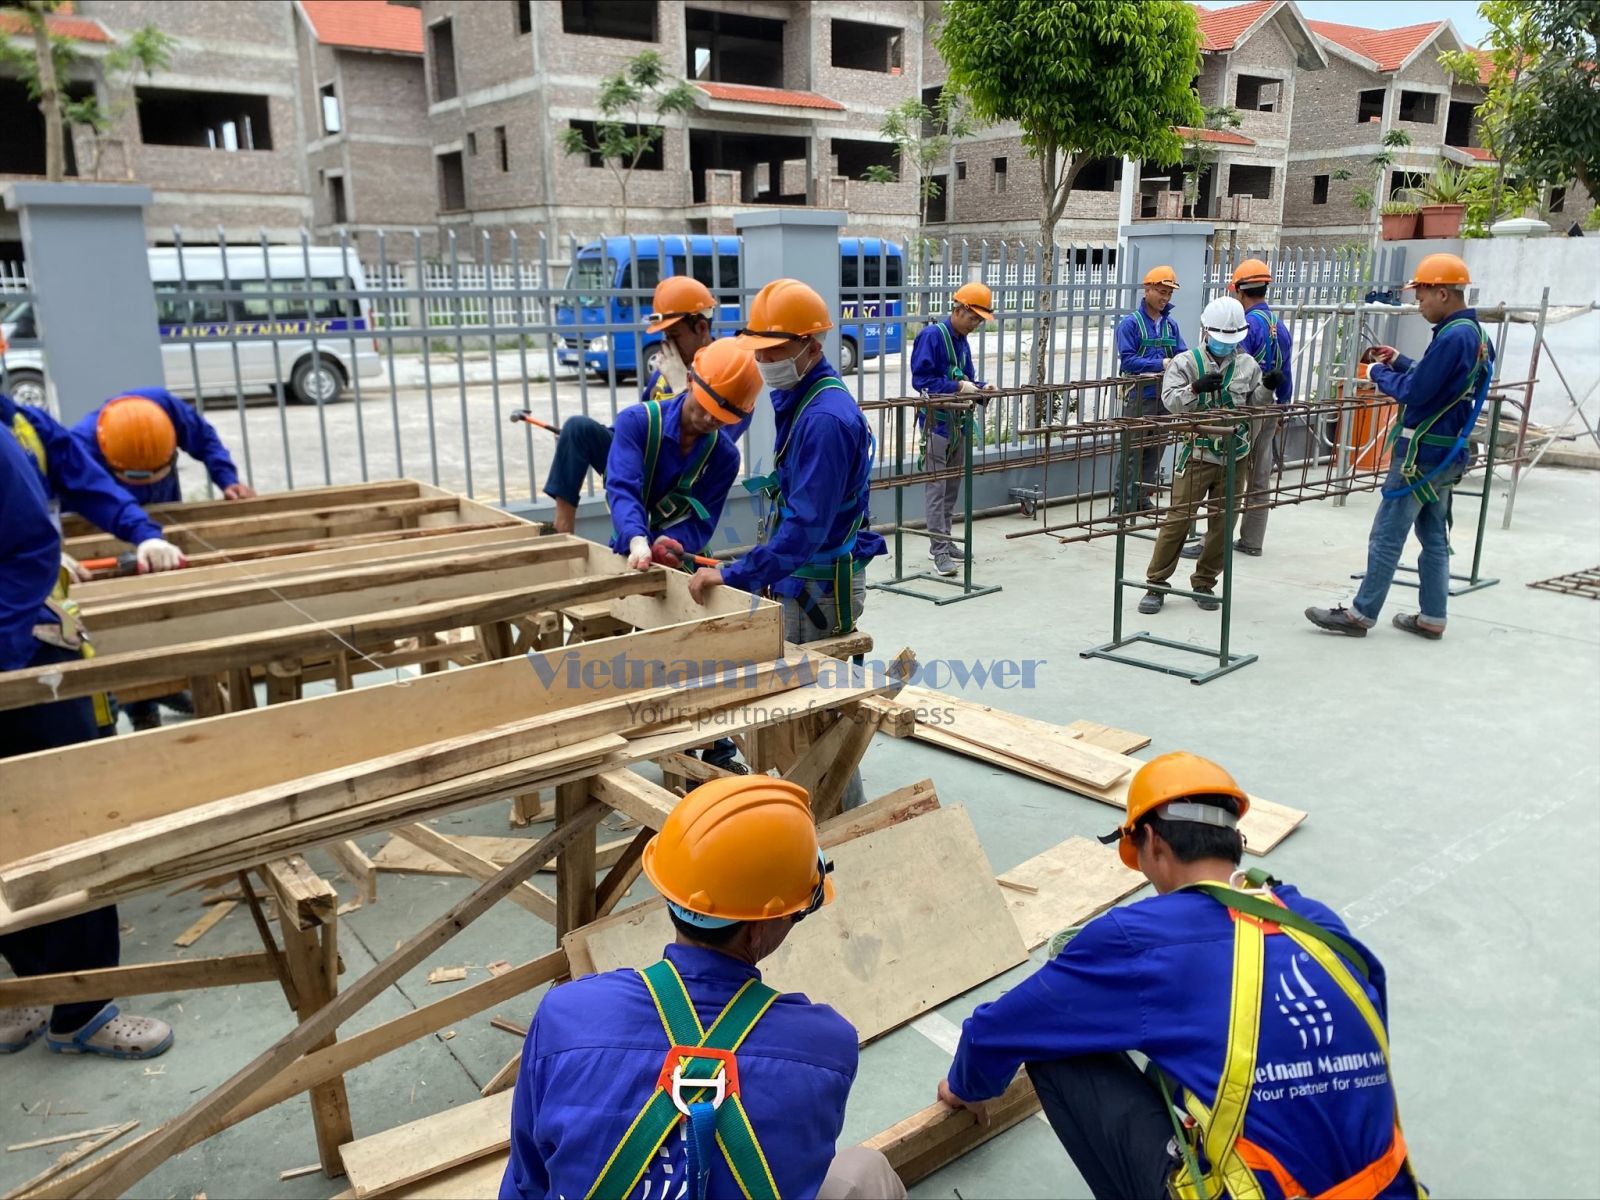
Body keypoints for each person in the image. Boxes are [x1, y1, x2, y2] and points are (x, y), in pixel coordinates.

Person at [937, 753, 1423, 1200]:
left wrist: (966, 1088)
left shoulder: (1138, 938)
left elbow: (998, 1029)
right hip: (1388, 1187)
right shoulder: (1319, 923)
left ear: (1151, 842)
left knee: (1055, 1039)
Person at [500, 777, 905, 1200]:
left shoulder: (568, 1014)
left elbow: (528, 1181)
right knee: (865, 1170)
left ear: (670, 890)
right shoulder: (826, 1046)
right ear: (759, 930)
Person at [0, 420, 177, 1061]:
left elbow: (30, 541)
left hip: (21, 657)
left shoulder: (15, 431)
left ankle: (84, 1007)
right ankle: (31, 983)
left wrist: (144, 531)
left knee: (67, 823)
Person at [1306, 253, 1493, 641]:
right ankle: (1433, 617)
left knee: (1388, 535)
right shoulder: (1473, 335)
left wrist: (1378, 373)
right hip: (1447, 453)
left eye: (1422, 296)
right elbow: (1443, 383)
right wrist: (1403, 361)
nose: (1418, 304)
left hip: (1420, 454)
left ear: (1442, 293)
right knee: (1434, 535)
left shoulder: (1453, 336)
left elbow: (1418, 393)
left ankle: (1360, 615)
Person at [606, 338, 762, 772]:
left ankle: (716, 749)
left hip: (683, 560)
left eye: (722, 417)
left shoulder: (724, 456)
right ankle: (660, 740)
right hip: (631, 554)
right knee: (638, 655)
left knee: (704, 654)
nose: (710, 420)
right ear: (690, 381)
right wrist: (639, 539)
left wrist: (676, 544)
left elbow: (702, 521)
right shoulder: (638, 422)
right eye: (704, 407)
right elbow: (622, 488)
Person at [542, 275, 721, 534]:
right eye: (664, 337)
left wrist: (683, 387)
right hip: (639, 461)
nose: (666, 345)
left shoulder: (722, 373)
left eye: (674, 335)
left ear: (701, 328)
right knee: (577, 430)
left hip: (677, 476)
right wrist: (588, 442)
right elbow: (641, 422)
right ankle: (562, 533)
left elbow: (717, 443)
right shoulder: (666, 369)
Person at [1138, 296, 1262, 615]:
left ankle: (1205, 582)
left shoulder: (1247, 366)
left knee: (1223, 523)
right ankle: (1156, 583)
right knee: (1178, 520)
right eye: (1220, 340)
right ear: (1206, 331)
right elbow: (1169, 402)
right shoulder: (1186, 362)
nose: (1224, 346)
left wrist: (1269, 390)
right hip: (1197, 454)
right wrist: (1195, 389)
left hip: (1234, 455)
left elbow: (1256, 405)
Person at [910, 281, 996, 576]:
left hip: (958, 424)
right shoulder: (933, 336)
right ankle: (939, 551)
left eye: (979, 321)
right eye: (972, 318)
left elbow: (967, 378)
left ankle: (946, 540)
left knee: (951, 487)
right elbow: (922, 382)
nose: (975, 325)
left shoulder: (961, 341)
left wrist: (982, 388)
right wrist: (959, 386)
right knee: (937, 487)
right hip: (937, 426)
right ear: (958, 310)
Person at [70, 388, 256, 508]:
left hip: (166, 502)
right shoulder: (78, 449)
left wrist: (228, 480)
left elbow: (205, 441)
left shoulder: (166, 409)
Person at [1114, 266, 1187, 514]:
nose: (1165, 298)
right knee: (1132, 453)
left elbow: (1181, 354)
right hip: (1139, 396)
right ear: (1147, 290)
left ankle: (1141, 499)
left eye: (1169, 293)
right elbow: (1128, 361)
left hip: (1164, 397)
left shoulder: (1171, 326)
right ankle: (1122, 505)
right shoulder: (1130, 325)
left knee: (1155, 451)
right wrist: (1161, 363)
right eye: (1161, 292)